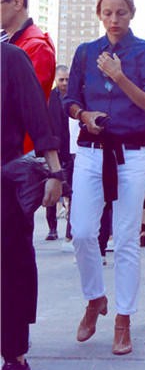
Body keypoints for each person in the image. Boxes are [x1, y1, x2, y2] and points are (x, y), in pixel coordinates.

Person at [63, 0, 145, 356]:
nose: (113, 19)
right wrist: (83, 114)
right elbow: (69, 99)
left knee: (125, 239)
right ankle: (95, 298)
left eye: (120, 12)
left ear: (132, 13)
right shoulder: (85, 52)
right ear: (99, 14)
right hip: (91, 151)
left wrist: (120, 76)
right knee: (82, 233)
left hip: (132, 153)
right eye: (107, 12)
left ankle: (124, 318)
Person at [1, 43, 63, 370]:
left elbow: (38, 118)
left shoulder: (10, 59)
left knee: (11, 270)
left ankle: (16, 361)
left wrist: (55, 173)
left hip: (5, 183)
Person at [1, 0, 56, 153]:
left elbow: (29, 109)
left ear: (17, 2)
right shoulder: (8, 42)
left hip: (18, 154)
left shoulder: (37, 47)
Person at [45, 65, 71, 240]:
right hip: (54, 149)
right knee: (52, 189)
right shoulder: (49, 98)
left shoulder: (75, 96)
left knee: (71, 191)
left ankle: (70, 231)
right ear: (55, 79)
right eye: (61, 79)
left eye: (67, 79)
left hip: (71, 150)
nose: (64, 83)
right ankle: (52, 228)